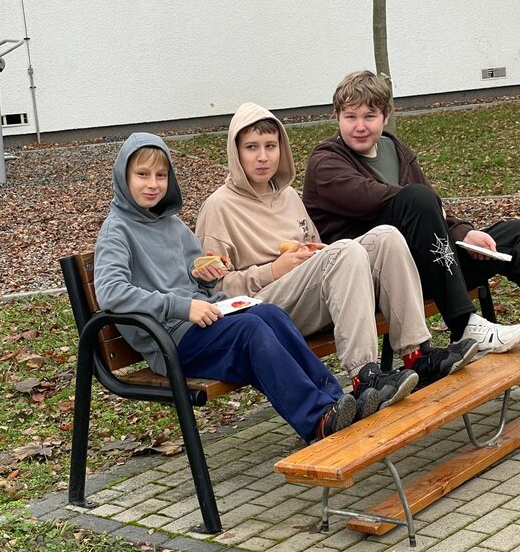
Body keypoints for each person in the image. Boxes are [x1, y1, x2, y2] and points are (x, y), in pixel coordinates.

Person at [303, 70, 520, 354]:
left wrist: (463, 233)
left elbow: (429, 208)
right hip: (378, 282)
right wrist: (427, 205)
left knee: (516, 235)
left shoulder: (394, 149)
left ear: (386, 116)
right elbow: (376, 200)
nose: (360, 126)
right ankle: (464, 325)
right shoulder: (326, 161)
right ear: (336, 116)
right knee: (417, 197)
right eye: (351, 117)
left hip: (430, 262)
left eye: (370, 116)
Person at [194, 103, 479, 419]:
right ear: (235, 152)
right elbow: (215, 291)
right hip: (266, 309)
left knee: (386, 237)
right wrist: (273, 270)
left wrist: (314, 253)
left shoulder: (289, 197)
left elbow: (320, 251)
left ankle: (417, 355)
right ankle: (364, 375)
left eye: (270, 146)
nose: (263, 157)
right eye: (252, 148)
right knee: (344, 250)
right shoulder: (219, 207)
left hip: (307, 295)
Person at [94, 132, 361, 445]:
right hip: (171, 341)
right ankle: (318, 420)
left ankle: (336, 402)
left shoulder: (173, 225)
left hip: (204, 322)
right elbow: (111, 291)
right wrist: (182, 306)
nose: (153, 184)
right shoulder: (117, 231)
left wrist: (207, 275)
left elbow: (196, 277)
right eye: (142, 175)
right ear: (123, 177)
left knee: (271, 314)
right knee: (249, 331)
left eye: (161, 175)